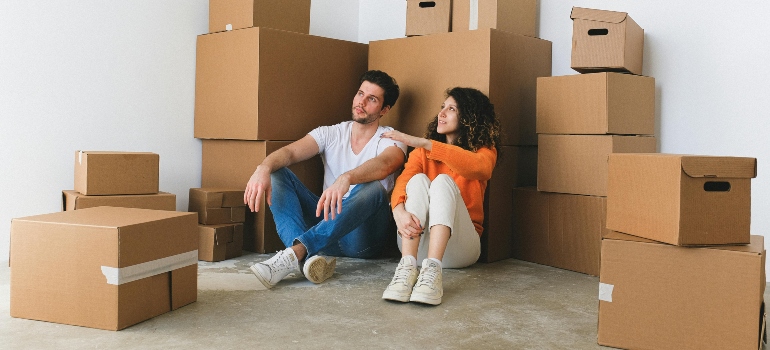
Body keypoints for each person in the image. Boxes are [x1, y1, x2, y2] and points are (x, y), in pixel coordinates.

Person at [243, 70, 407, 289]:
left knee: (374, 188)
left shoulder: (391, 138)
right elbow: (290, 153)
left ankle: (297, 252)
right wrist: (262, 168)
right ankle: (308, 260)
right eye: (360, 94)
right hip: (324, 229)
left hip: (360, 239)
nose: (362, 102)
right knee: (276, 171)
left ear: (384, 110)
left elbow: (387, 164)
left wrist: (347, 178)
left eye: (372, 99)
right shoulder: (331, 133)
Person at [379, 87, 500, 305]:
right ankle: (406, 269)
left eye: (451, 109)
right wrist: (398, 212)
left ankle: (432, 273)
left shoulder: (484, 151)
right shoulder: (421, 154)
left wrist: (426, 143)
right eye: (442, 107)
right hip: (414, 245)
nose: (441, 114)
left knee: (443, 182)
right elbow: (402, 185)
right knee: (417, 181)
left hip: (460, 249)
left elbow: (481, 168)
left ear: (470, 117)